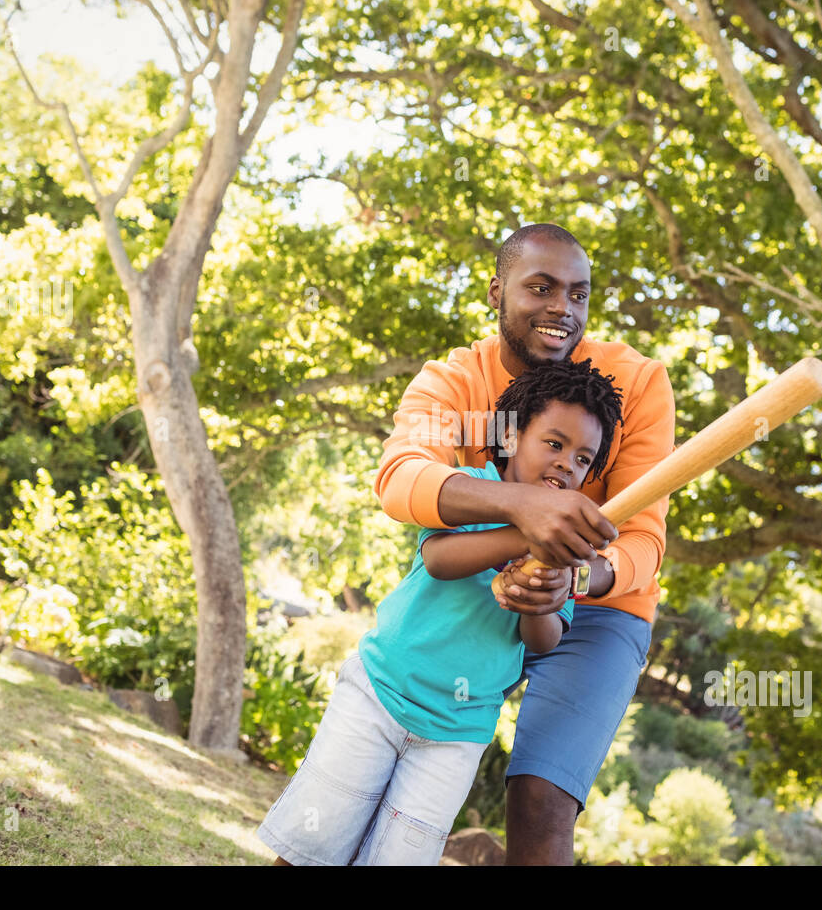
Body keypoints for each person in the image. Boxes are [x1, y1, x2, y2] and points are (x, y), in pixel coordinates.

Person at [375, 223, 676, 865]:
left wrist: (573, 577)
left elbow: (645, 541)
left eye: (578, 294)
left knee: (540, 798)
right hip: (478, 588)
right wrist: (524, 508)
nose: (561, 309)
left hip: (598, 605)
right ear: (496, 292)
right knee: (378, 757)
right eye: (540, 288)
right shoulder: (453, 382)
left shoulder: (639, 383)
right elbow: (401, 479)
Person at [257, 358, 626, 865]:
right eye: (555, 444)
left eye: (584, 458)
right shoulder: (473, 488)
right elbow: (439, 558)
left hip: (457, 733)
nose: (568, 464)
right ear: (513, 436)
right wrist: (525, 531)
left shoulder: (566, 551)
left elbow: (544, 640)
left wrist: (539, 595)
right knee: (313, 844)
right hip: (380, 694)